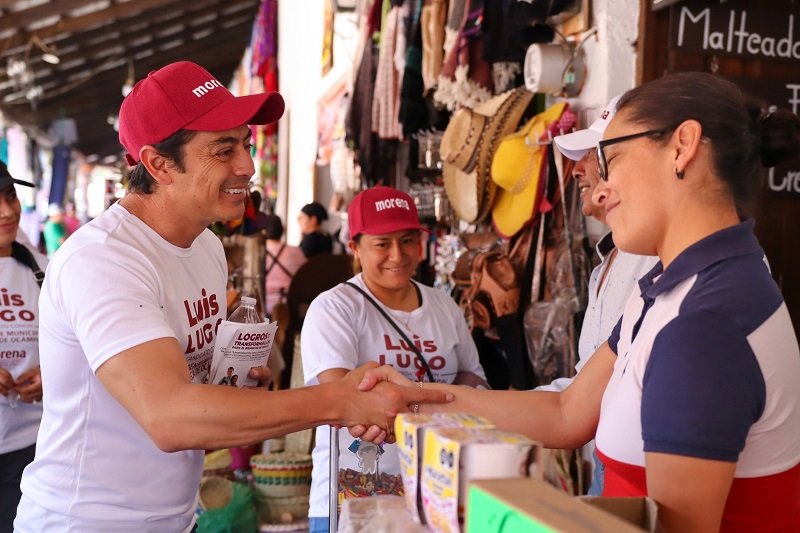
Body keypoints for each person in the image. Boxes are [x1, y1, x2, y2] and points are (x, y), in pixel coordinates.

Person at [14, 61, 450, 532]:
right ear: (158, 164)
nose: (247, 165)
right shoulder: (102, 259)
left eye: (245, 143)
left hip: (174, 518)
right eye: (224, 150)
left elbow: (191, 395)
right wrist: (340, 401)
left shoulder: (204, 245)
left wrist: (232, 388)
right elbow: (170, 417)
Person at [359, 73, 800, 532]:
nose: (600, 189)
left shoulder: (703, 327)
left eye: (611, 160)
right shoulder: (671, 287)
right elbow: (568, 412)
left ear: (682, 146)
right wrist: (414, 401)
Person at [301, 186, 488, 533]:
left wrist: (415, 397)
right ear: (355, 246)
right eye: (382, 244)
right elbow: (346, 401)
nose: (398, 255)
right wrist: (440, 400)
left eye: (407, 240)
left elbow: (473, 377)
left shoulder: (443, 306)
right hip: (352, 496)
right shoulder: (335, 308)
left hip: (437, 491)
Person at [542, 96, 658, 496]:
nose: (578, 170)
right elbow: (579, 398)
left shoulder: (662, 257)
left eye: (600, 155)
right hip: (610, 463)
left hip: (636, 472)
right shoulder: (613, 255)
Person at [0, 163, 46, 531]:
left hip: (30, 447)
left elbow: (77, 347)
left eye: (10, 196)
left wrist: (51, 373)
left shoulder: (45, 270)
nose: (7, 211)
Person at [264, 213, 306, 316]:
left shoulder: (259, 253)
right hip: (292, 305)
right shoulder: (296, 252)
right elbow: (306, 276)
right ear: (283, 230)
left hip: (265, 306)